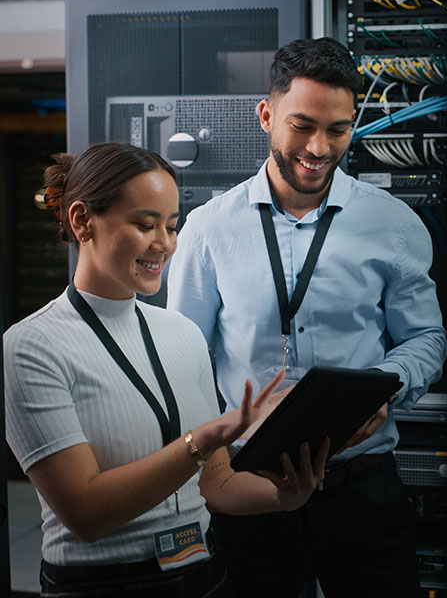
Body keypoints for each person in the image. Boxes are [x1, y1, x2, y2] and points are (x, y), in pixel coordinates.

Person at [167, 37, 447, 598]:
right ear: (267, 115)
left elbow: (426, 337)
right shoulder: (207, 228)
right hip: (248, 488)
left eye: (338, 129)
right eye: (302, 126)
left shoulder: (394, 225)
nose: (320, 148)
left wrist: (386, 391)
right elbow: (185, 360)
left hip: (362, 488)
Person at [3, 142, 330, 598]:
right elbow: (86, 514)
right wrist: (207, 437)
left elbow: (215, 484)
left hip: (203, 576)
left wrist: (283, 497)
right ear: (82, 221)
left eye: (172, 226)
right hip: (101, 586)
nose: (165, 244)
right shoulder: (31, 346)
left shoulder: (182, 333)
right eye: (144, 224)